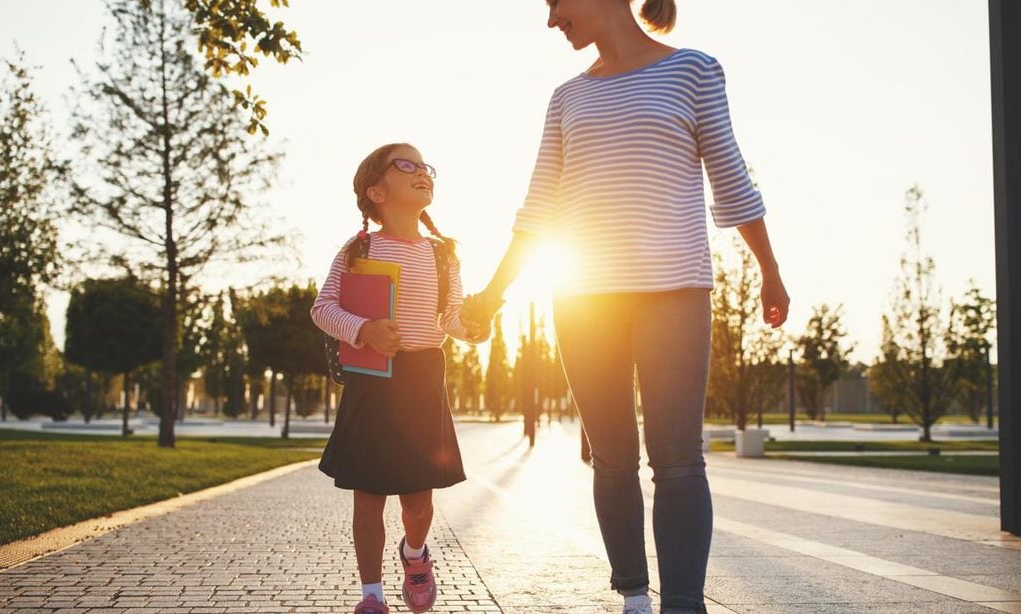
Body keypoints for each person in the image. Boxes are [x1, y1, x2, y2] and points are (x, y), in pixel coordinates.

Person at [462, 1, 791, 612]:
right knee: (612, 459)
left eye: (556, 2)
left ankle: (683, 605)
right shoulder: (566, 98)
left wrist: (769, 271)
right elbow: (538, 211)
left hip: (675, 291)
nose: (551, 19)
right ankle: (634, 597)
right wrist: (493, 292)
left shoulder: (693, 70)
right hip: (584, 301)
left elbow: (731, 181)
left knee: (678, 462)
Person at [310, 143, 490, 614]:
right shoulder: (358, 250)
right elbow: (323, 308)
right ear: (376, 191)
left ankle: (415, 554)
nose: (422, 172)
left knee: (417, 499)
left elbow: (450, 318)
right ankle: (371, 596)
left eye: (425, 165)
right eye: (405, 165)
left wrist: (473, 327)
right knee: (368, 498)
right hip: (372, 382)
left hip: (421, 379)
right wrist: (364, 329)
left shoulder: (443, 254)